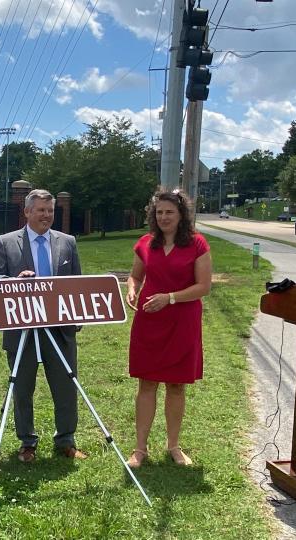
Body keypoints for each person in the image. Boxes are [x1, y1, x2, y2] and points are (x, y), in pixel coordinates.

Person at [0, 189, 86, 463]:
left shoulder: (67, 242)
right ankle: (27, 442)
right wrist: (15, 280)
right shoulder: (6, 242)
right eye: (41, 210)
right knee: (22, 388)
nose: (46, 215)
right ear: (27, 212)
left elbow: (76, 283)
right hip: (22, 330)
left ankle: (66, 440)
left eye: (50, 210)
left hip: (59, 328)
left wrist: (76, 321)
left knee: (66, 386)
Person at [125, 189, 212, 468]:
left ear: (181, 215)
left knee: (176, 385)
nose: (163, 217)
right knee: (146, 383)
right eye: (159, 212)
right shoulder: (146, 243)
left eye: (169, 212)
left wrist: (170, 298)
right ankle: (140, 449)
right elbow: (135, 275)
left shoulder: (197, 244)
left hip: (182, 321)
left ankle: (173, 446)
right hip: (149, 320)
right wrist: (131, 289)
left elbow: (203, 287)